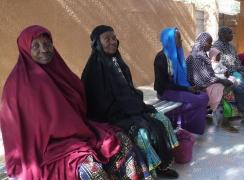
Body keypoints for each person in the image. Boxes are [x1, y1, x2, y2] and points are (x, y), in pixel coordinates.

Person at [0, 25, 150, 180]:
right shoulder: (17, 86)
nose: (44, 50)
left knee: (122, 142)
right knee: (90, 170)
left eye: (47, 44)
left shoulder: (61, 72)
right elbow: (19, 132)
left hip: (78, 133)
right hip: (45, 149)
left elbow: (79, 107)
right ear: (25, 49)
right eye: (35, 46)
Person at [81, 25, 179, 179]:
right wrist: (131, 111)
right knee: (143, 134)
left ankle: (161, 166)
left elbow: (130, 90)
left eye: (114, 38)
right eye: (107, 39)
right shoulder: (93, 71)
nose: (113, 42)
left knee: (161, 120)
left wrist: (139, 107)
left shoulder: (118, 62)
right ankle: (149, 172)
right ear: (97, 43)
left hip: (131, 109)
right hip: (111, 117)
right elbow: (99, 105)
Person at [154, 27, 209, 135]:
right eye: (178, 39)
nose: (181, 41)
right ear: (169, 40)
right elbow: (165, 84)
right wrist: (187, 89)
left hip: (178, 89)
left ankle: (181, 121)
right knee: (200, 100)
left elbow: (183, 78)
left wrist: (192, 87)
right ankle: (184, 122)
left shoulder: (177, 55)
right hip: (166, 91)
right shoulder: (161, 57)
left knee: (203, 96)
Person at [186, 32, 240, 133]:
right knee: (226, 88)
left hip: (206, 82)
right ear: (203, 42)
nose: (211, 45)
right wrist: (221, 80)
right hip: (200, 86)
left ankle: (229, 114)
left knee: (230, 83)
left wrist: (221, 79)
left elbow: (208, 76)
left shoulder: (201, 54)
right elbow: (202, 79)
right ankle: (224, 120)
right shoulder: (197, 56)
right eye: (209, 43)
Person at [209, 47, 244, 128]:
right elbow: (217, 77)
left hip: (230, 84)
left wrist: (227, 76)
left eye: (220, 55)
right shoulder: (212, 66)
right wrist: (226, 78)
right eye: (218, 55)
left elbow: (225, 73)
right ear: (213, 56)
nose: (220, 57)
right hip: (227, 86)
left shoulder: (218, 64)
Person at [213, 27, 244, 96]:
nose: (232, 35)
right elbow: (219, 63)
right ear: (223, 34)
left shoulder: (231, 46)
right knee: (239, 78)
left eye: (232, 33)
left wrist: (241, 68)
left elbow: (236, 59)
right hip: (226, 72)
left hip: (236, 68)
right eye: (230, 33)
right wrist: (235, 69)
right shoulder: (217, 46)